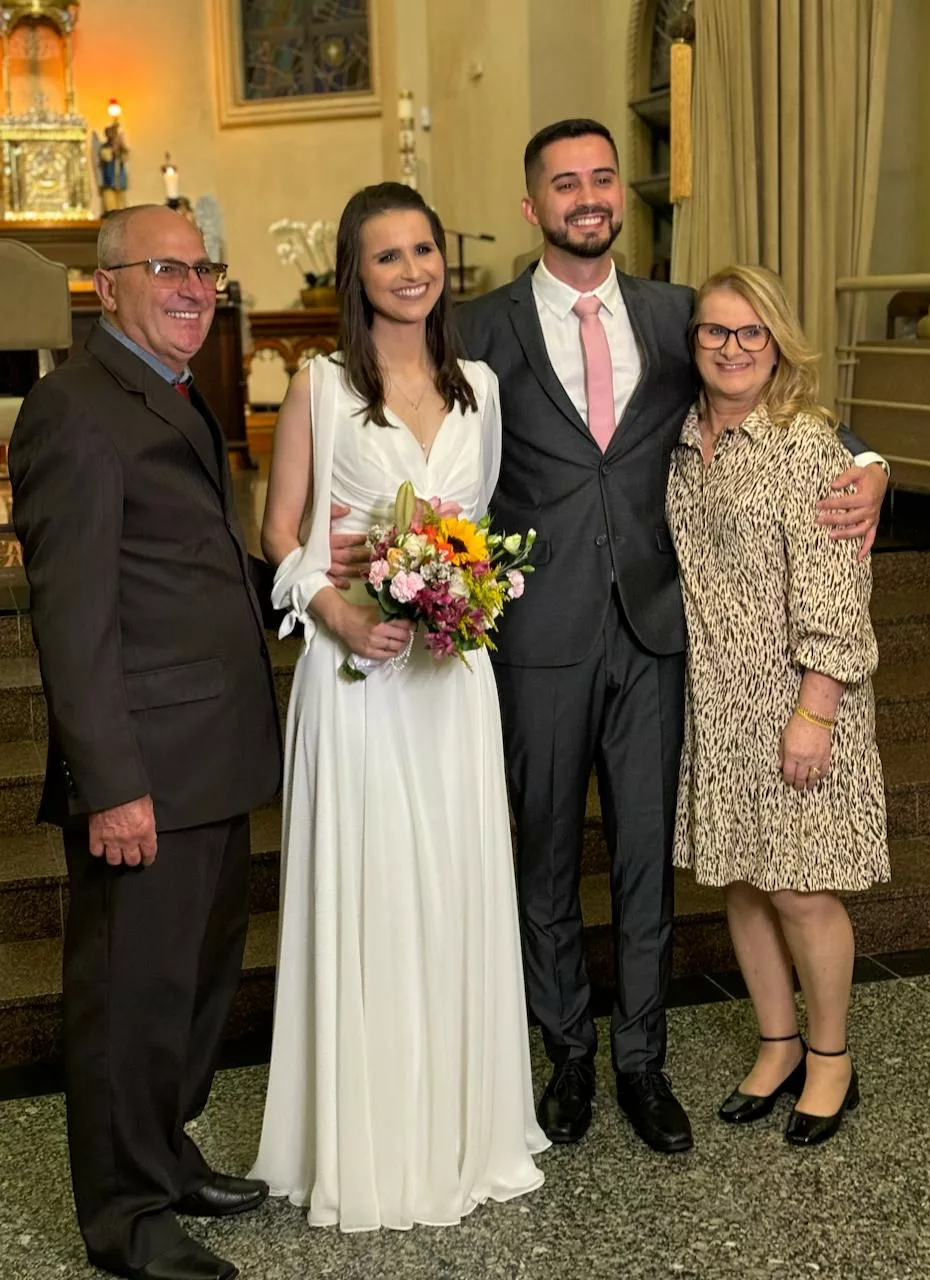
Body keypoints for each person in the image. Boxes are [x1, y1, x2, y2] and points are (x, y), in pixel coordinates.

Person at [447, 119, 890, 1154]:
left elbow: (778, 381)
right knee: (547, 857)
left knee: (648, 861)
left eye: (604, 176)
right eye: (566, 183)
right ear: (533, 205)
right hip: (541, 636)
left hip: (660, 641)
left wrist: (869, 465)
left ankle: (641, 1062)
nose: (590, 194)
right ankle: (565, 1056)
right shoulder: (477, 325)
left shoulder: (675, 315)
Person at [250, 182, 548, 1229]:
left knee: (454, 884)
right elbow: (277, 529)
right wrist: (332, 605)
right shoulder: (321, 388)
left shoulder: (480, 387)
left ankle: (465, 1121)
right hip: (362, 684)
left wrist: (466, 594)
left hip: (451, 686)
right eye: (388, 256)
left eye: (424, 248)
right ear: (356, 274)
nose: (412, 268)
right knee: (376, 886)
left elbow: (479, 524)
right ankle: (371, 1133)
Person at [10, 206, 282, 1280]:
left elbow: (191, 567)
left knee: (194, 981)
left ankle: (164, 1155)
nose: (191, 285)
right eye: (165, 267)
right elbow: (71, 620)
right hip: (148, 769)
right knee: (131, 996)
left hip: (209, 753)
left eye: (202, 266)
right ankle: (125, 1216)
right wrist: (111, 784)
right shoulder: (73, 408)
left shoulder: (169, 389)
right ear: (104, 285)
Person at [667, 265, 889, 1146]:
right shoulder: (685, 437)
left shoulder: (807, 447)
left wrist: (818, 709)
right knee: (743, 881)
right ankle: (778, 1043)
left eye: (749, 333)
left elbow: (837, 590)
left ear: (777, 343)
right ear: (694, 344)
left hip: (797, 693)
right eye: (715, 332)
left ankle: (833, 1059)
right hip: (717, 698)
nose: (731, 348)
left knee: (800, 888)